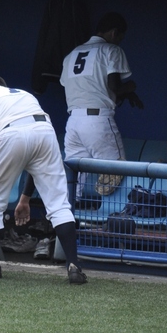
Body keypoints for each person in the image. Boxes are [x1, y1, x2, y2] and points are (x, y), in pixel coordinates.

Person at [0, 75, 87, 284]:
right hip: (45, 130)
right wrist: (25, 197)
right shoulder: (21, 94)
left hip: (12, 132)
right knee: (59, 204)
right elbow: (34, 163)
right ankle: (74, 266)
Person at [60, 11, 143, 198]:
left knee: (74, 179)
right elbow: (114, 87)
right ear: (114, 33)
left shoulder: (71, 55)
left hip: (73, 123)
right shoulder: (111, 50)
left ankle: (62, 222)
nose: (120, 41)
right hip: (98, 121)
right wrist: (131, 86)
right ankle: (115, 224)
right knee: (117, 171)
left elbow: (85, 86)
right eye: (120, 37)